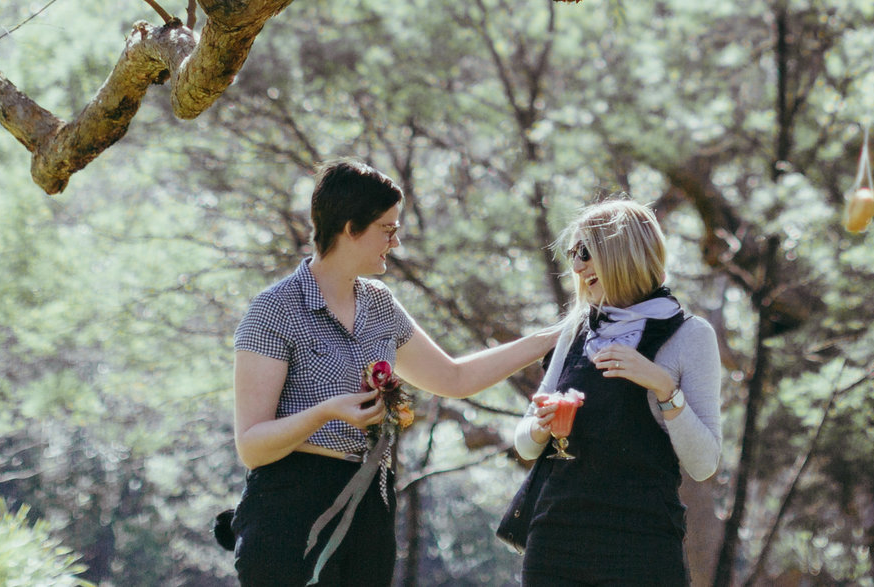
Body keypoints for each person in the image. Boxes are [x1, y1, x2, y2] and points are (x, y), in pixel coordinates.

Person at [229, 159, 558, 587]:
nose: (396, 241)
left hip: (372, 502)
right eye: (387, 229)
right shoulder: (274, 309)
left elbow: (455, 379)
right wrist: (327, 411)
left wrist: (554, 336)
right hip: (290, 512)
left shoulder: (380, 303)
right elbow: (251, 447)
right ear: (350, 227)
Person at [507, 198, 723, 587]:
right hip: (555, 543)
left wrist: (663, 387)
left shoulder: (691, 335)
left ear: (623, 252)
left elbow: (704, 463)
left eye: (586, 252)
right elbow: (524, 445)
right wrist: (540, 425)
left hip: (643, 548)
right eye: (573, 254)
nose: (576, 266)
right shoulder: (574, 331)